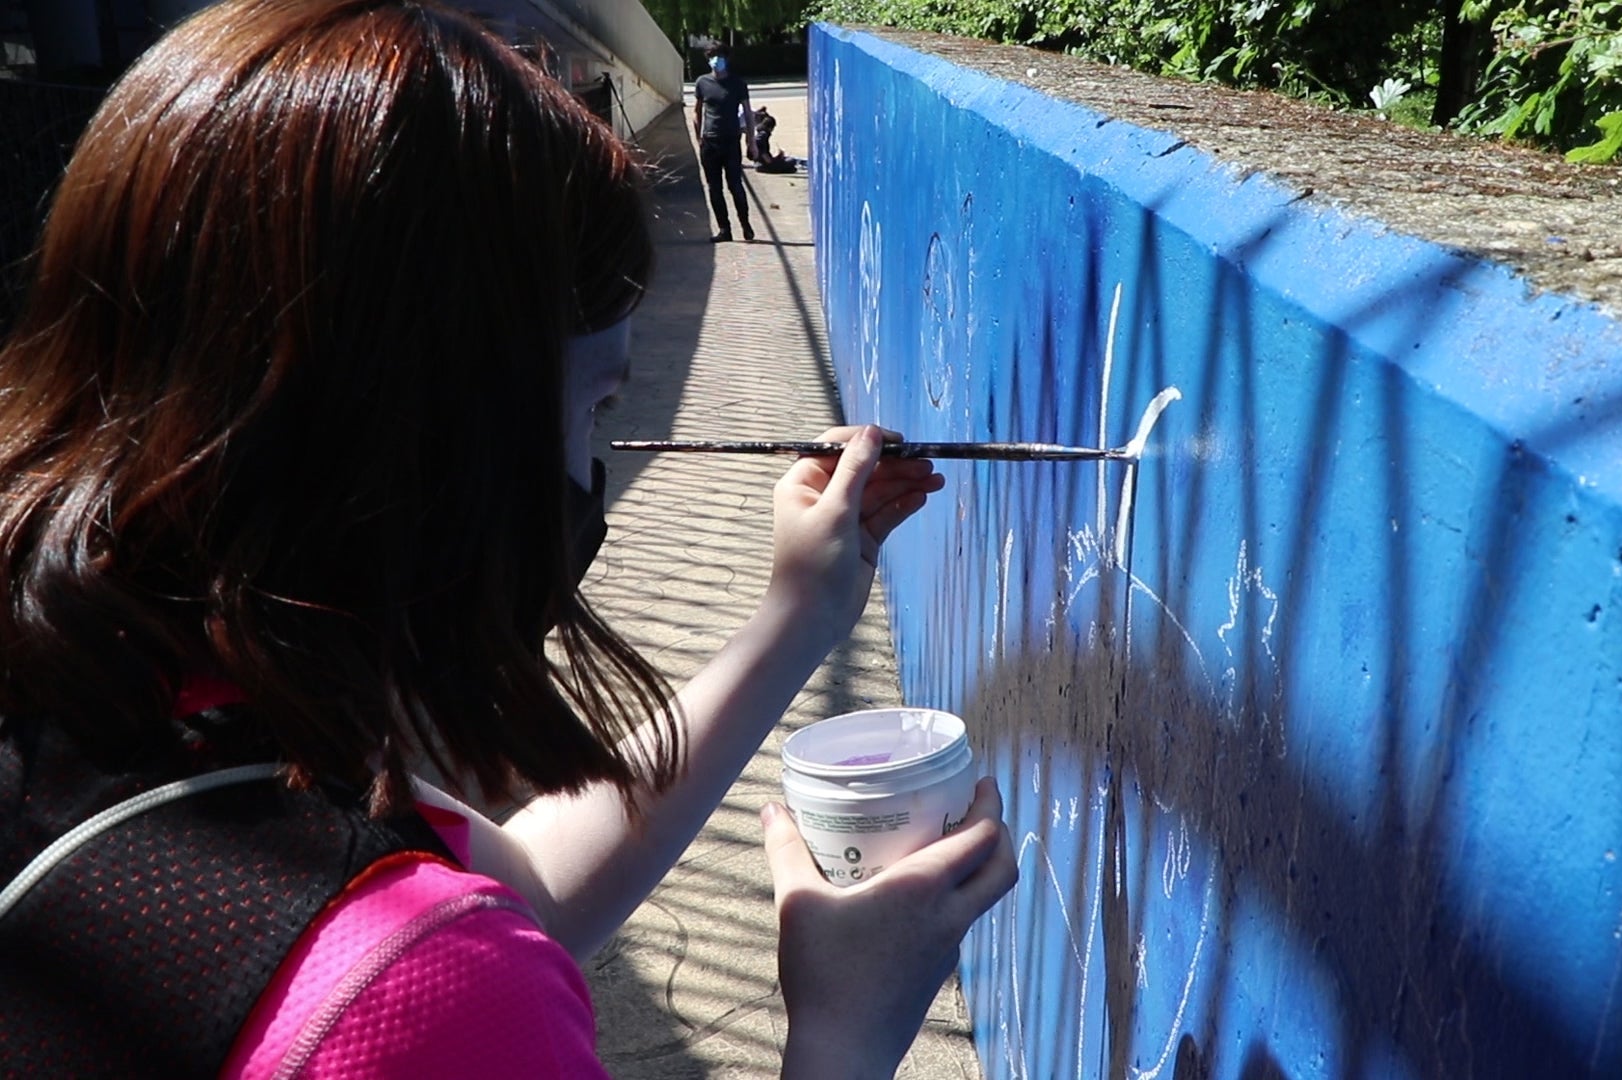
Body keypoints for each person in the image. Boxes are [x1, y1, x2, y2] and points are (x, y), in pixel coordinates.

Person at [0, 1, 1016, 1077]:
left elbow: (514, 883)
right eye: (592, 411)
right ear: (426, 447)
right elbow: (438, 962)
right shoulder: (424, 998)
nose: (592, 473)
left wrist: (796, 618)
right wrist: (845, 1035)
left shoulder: (120, 698)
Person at [691, 42, 756, 242]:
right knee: (714, 187)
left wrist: (750, 141)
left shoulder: (737, 84)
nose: (716, 61)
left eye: (720, 57)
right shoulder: (702, 83)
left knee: (735, 185)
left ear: (726, 60)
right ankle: (724, 229)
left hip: (730, 141)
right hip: (710, 142)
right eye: (712, 57)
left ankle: (745, 224)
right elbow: (697, 111)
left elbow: (748, 113)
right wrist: (699, 137)